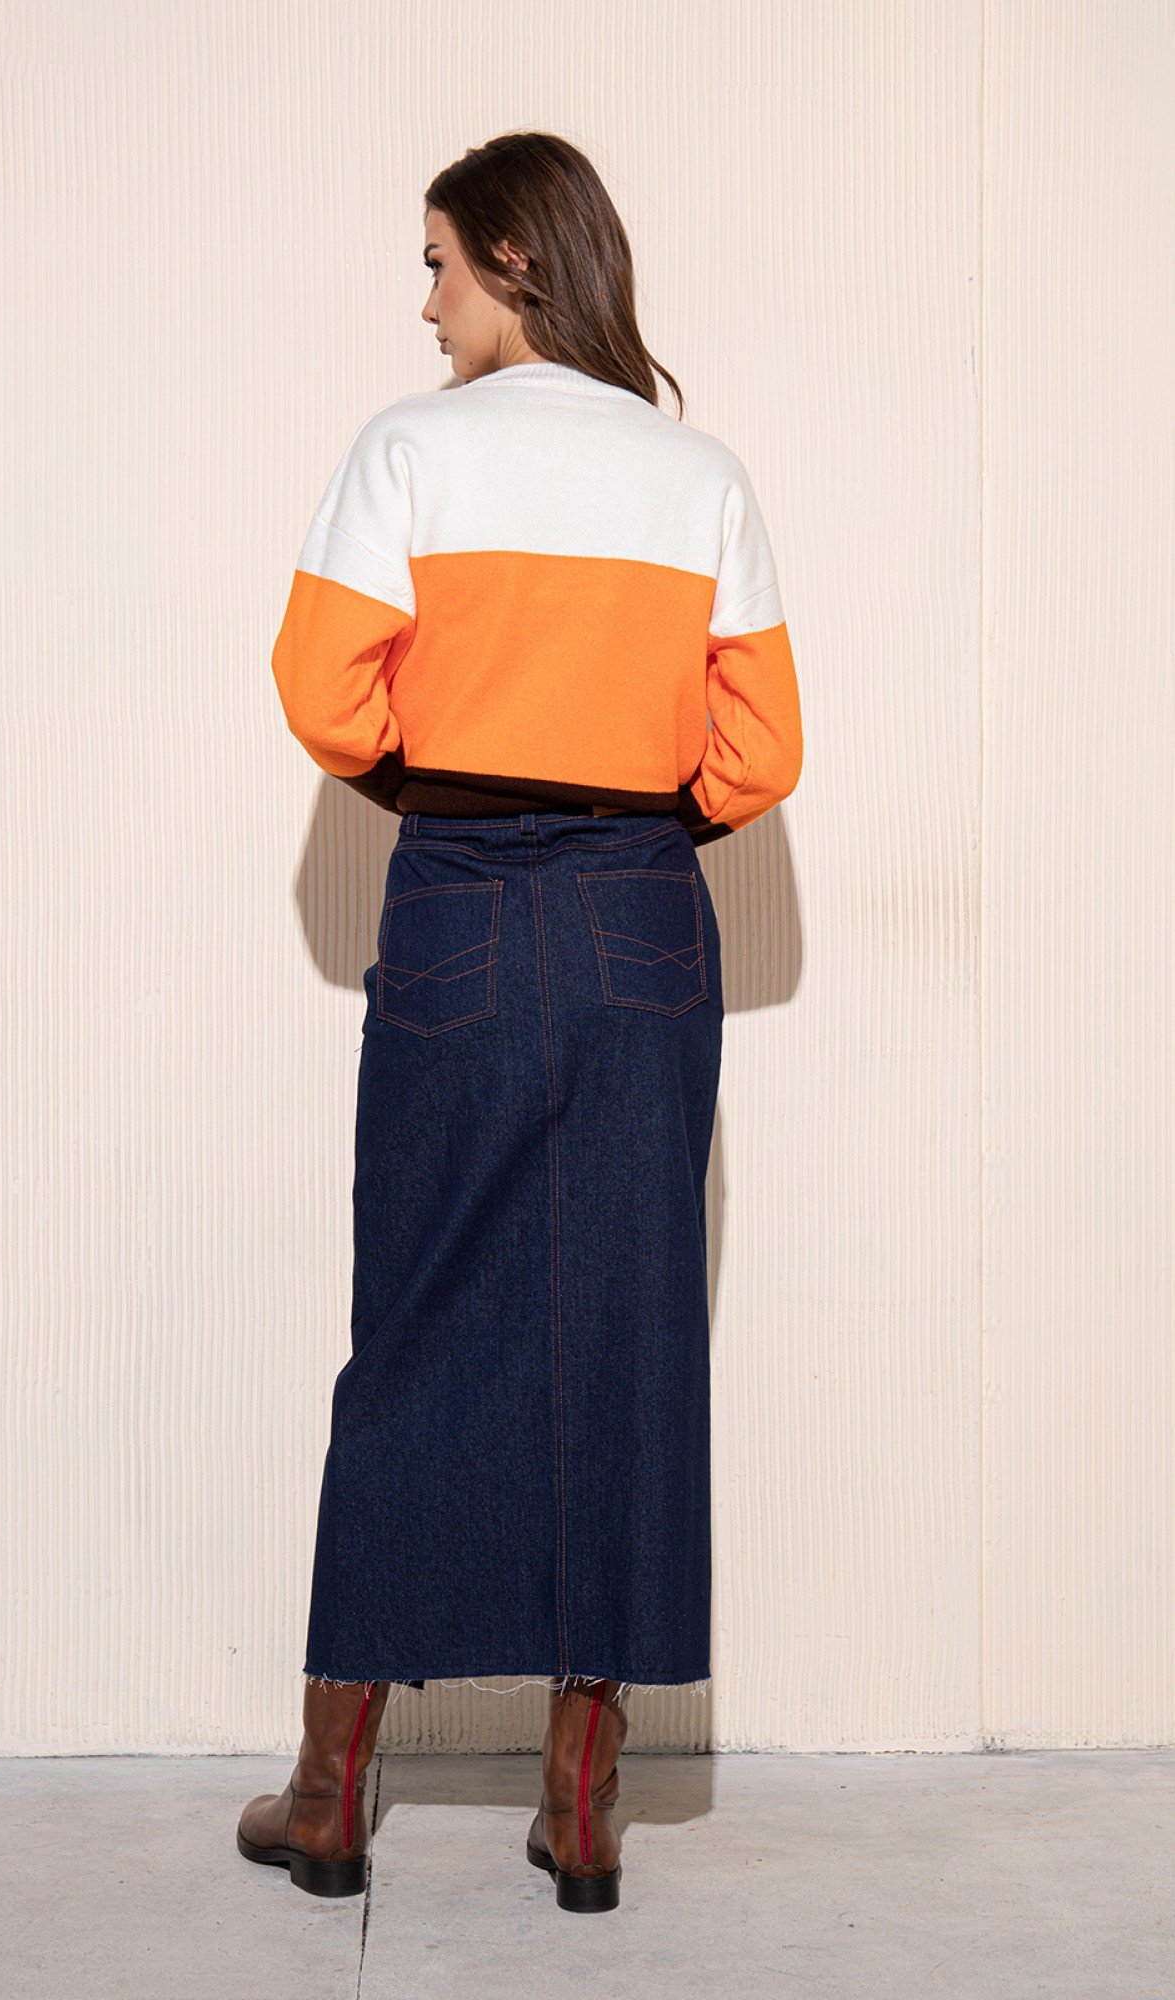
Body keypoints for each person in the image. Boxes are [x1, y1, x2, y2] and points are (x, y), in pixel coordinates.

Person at [237, 130, 803, 1914]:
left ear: (514, 257)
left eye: (436, 263)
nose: (424, 306)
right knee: (627, 1327)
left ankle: (334, 1784)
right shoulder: (697, 477)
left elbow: (321, 695)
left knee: (413, 1311)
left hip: (460, 903)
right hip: (641, 914)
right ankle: (583, 1791)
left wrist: (457, 788)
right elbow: (760, 757)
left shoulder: (407, 454)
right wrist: (625, 825)